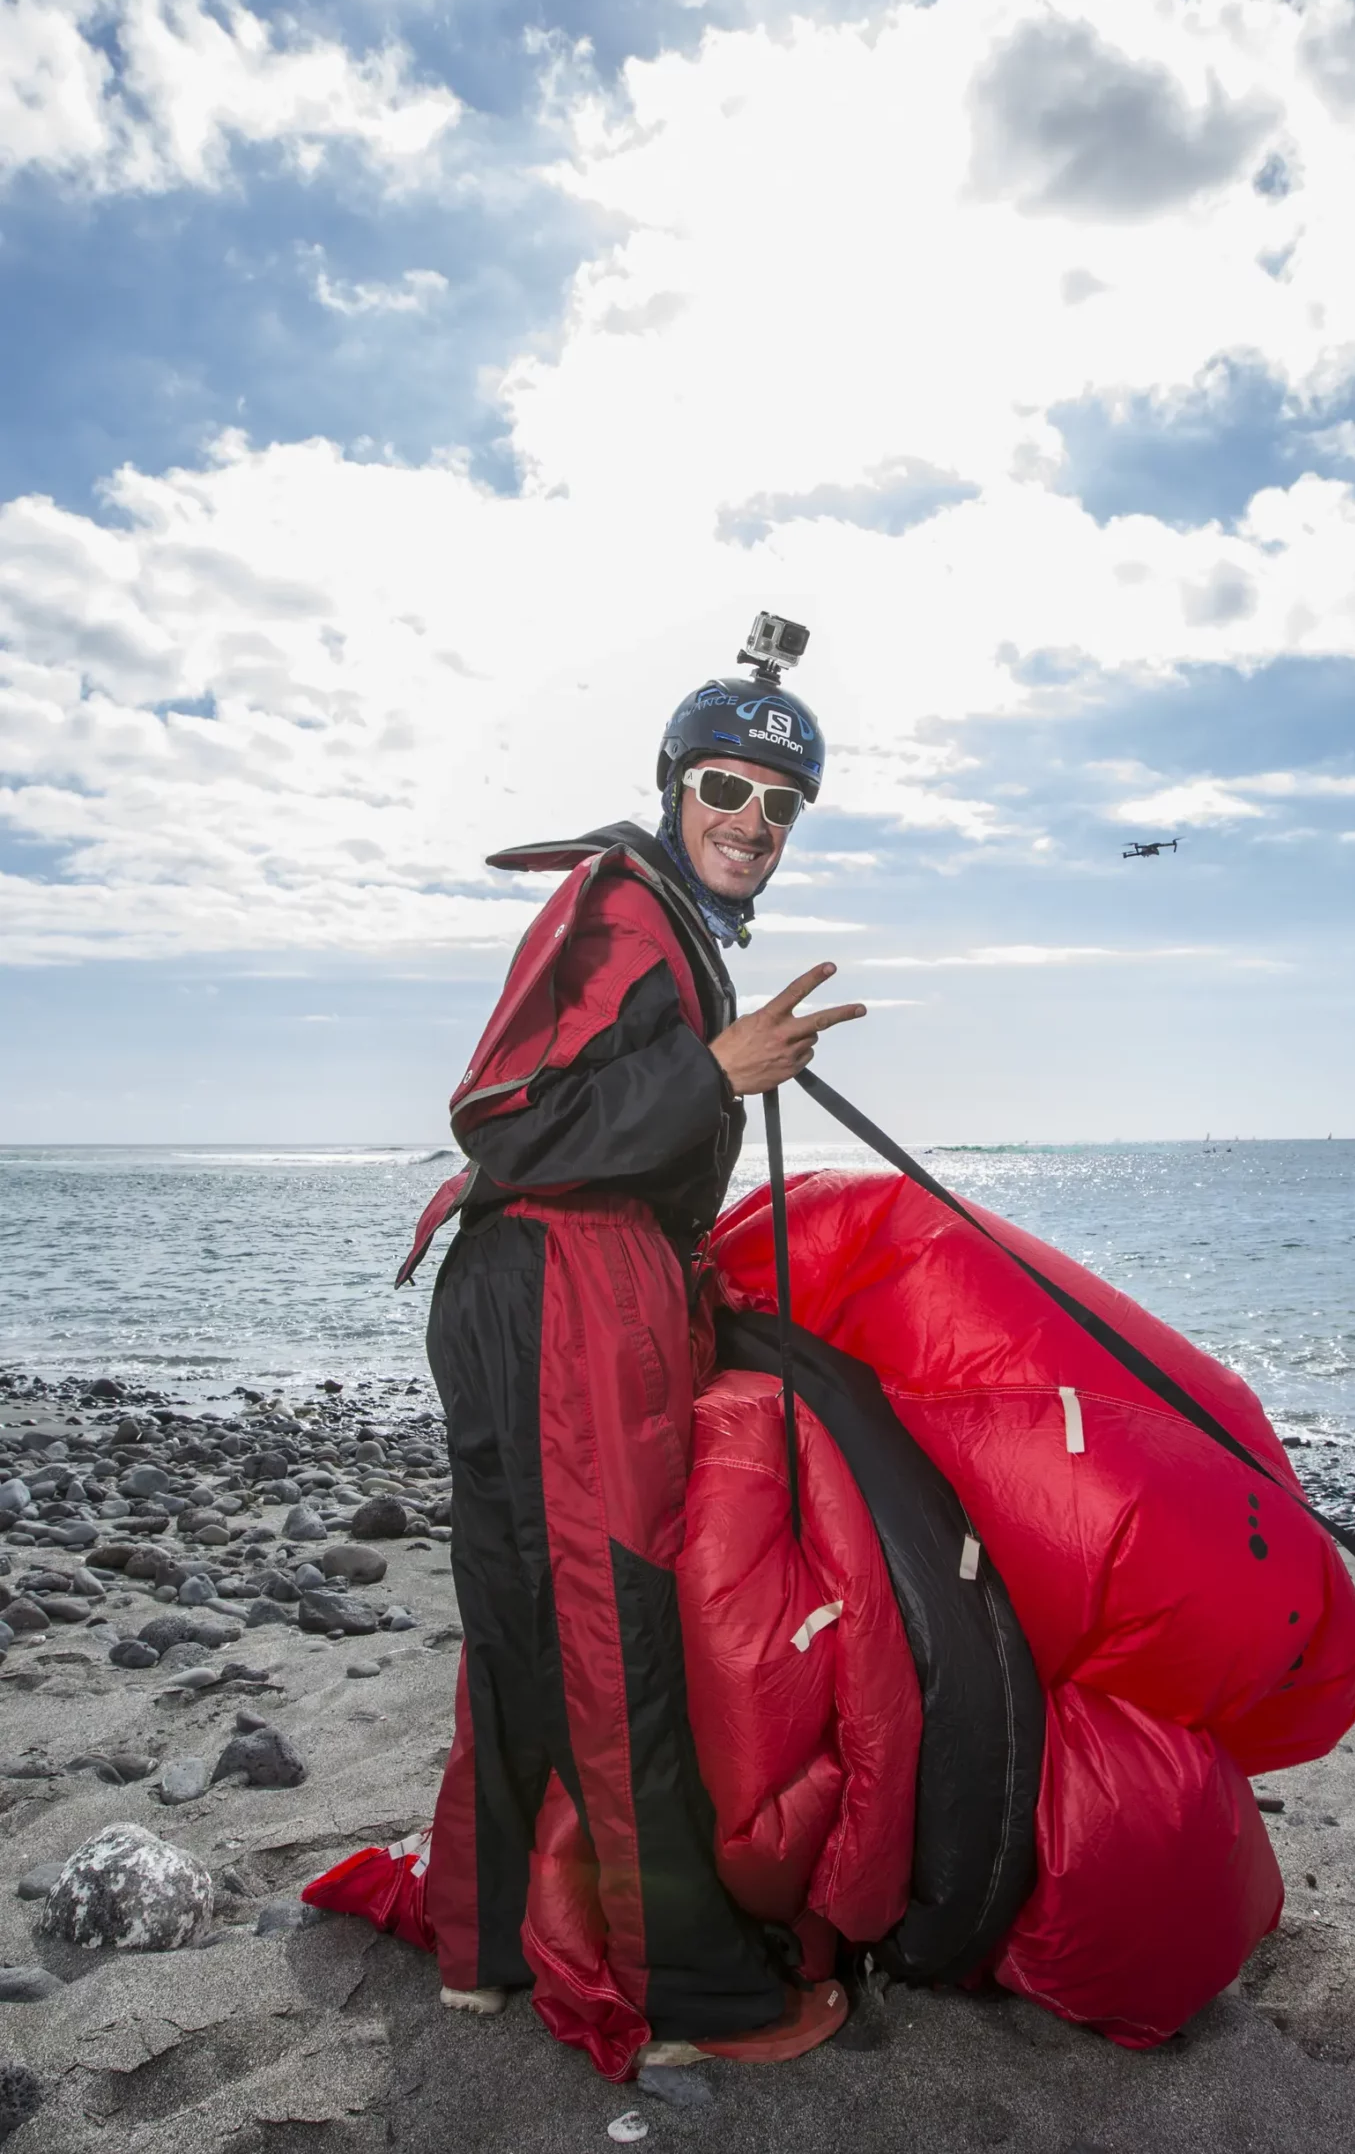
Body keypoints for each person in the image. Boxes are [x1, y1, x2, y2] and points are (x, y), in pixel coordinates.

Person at [400, 653, 866, 2075]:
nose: (752, 818)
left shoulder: (671, 922)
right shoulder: (619, 903)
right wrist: (713, 1075)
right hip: (556, 1303)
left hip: (546, 1296)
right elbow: (502, 1115)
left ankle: (484, 1946)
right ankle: (679, 1991)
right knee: (616, 1635)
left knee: (532, 1632)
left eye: (781, 803)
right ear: (676, 787)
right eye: (727, 787)